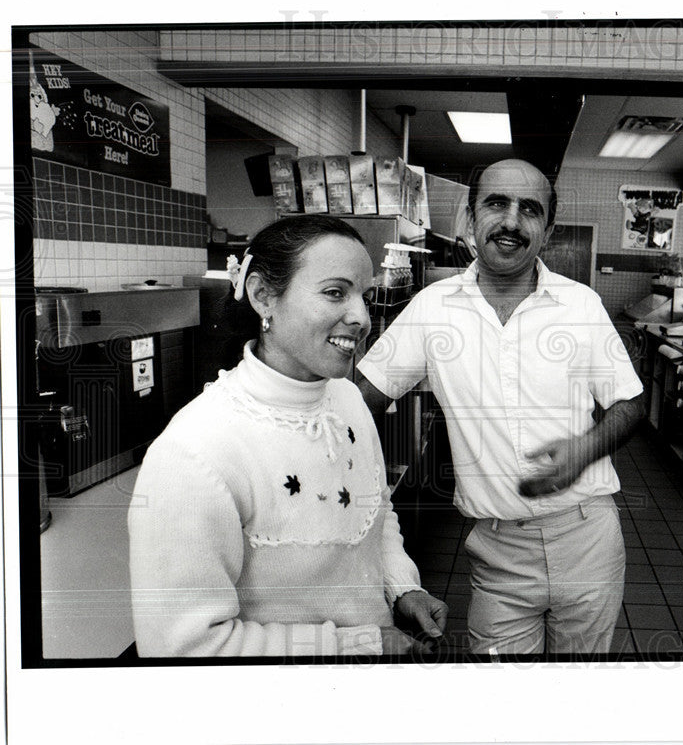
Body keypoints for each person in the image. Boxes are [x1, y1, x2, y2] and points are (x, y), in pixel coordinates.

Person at [357, 159, 645, 655]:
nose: (511, 221)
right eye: (496, 204)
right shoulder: (433, 308)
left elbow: (630, 402)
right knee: (502, 702)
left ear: (547, 230)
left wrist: (585, 449)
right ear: (471, 219)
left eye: (529, 210)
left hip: (587, 538)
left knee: (580, 692)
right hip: (496, 550)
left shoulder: (580, 306)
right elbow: (361, 400)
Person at [128, 215, 447, 657]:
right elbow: (184, 647)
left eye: (364, 295)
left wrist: (401, 589)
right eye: (336, 292)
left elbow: (377, 510)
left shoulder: (348, 401)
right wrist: (362, 644)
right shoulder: (195, 453)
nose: (361, 317)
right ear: (262, 296)